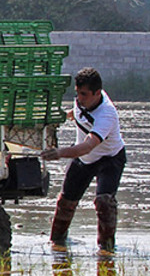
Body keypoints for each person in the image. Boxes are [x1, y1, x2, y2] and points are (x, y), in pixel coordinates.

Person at [40, 67, 126, 252]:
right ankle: (57, 243)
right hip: (84, 158)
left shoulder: (107, 114)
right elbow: (77, 113)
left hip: (109, 159)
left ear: (97, 93)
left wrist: (59, 153)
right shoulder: (82, 100)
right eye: (77, 93)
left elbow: (88, 145)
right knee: (66, 202)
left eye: (84, 95)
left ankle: (106, 249)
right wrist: (67, 114)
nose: (79, 98)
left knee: (104, 202)